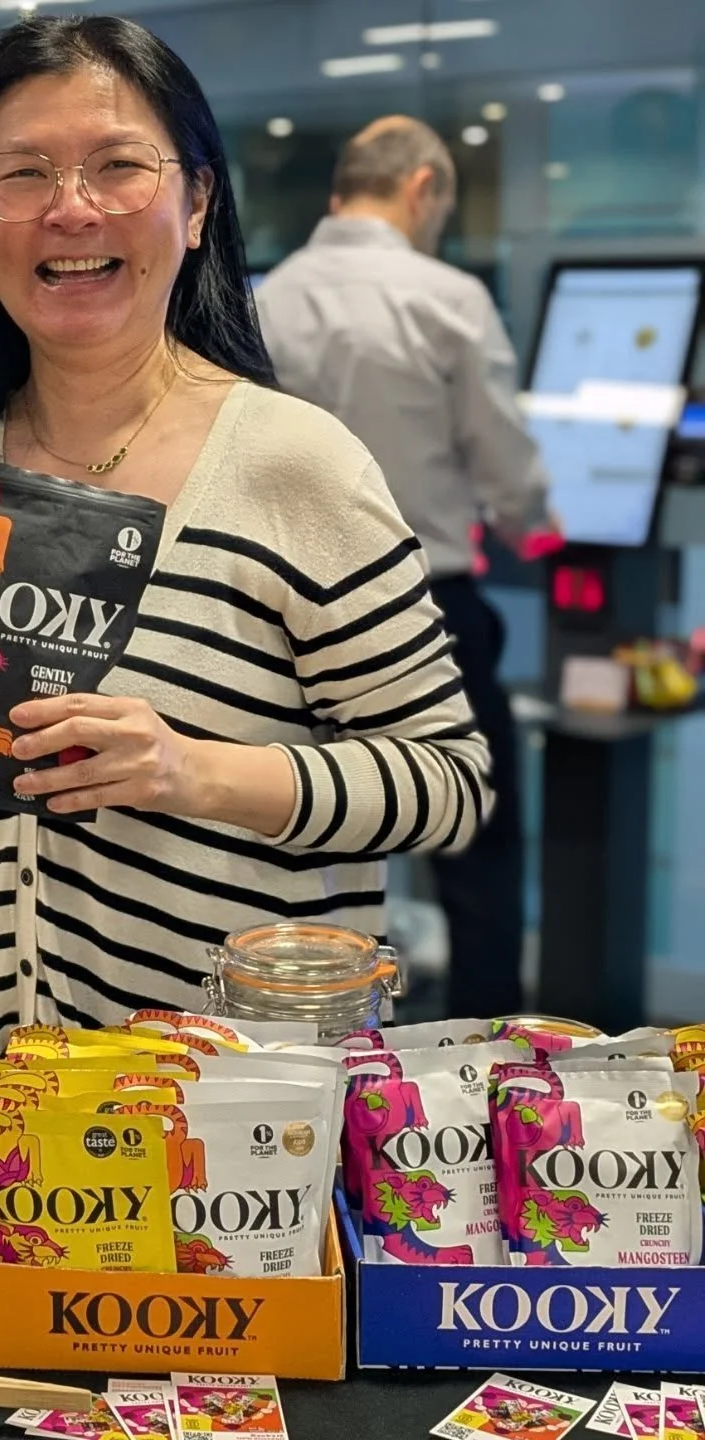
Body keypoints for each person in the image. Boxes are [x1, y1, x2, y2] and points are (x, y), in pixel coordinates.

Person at [0, 18, 494, 1055]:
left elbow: (446, 783)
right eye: (24, 173)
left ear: (196, 201)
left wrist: (193, 772)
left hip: (229, 1129)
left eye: (117, 166)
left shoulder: (297, 463)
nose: (70, 208)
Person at [253, 116, 552, 1018]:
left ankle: (324, 1055)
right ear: (422, 188)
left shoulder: (264, 299)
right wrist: (530, 517)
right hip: (428, 611)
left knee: (311, 836)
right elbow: (507, 467)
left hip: (277, 614)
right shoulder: (448, 296)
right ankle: (489, 1069)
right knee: (477, 845)